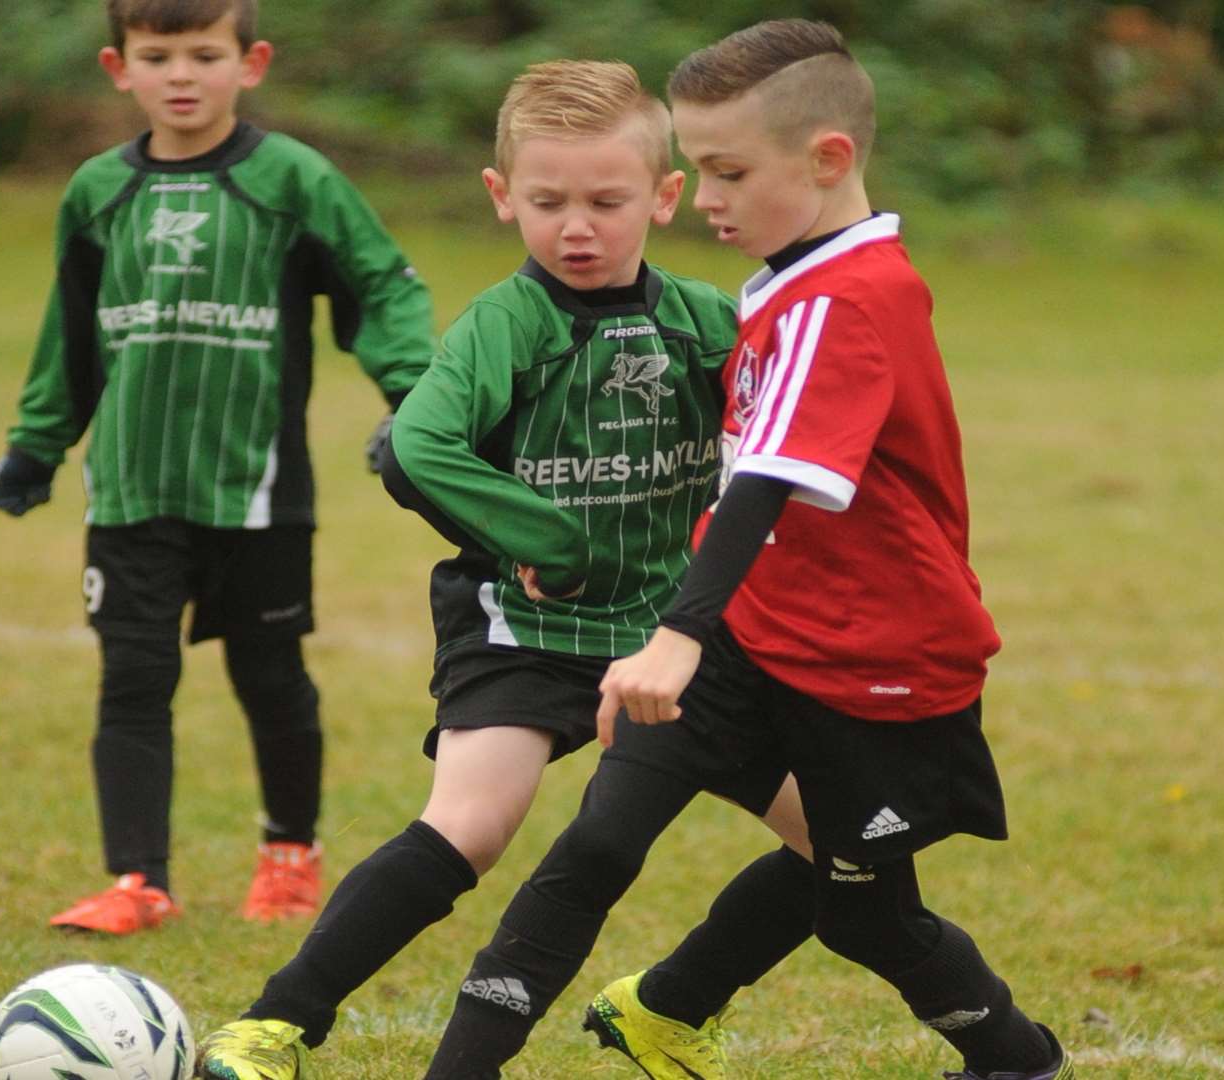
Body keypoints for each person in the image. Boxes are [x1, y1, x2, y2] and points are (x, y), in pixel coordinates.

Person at [418, 20, 1073, 1080]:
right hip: (753, 634)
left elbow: (767, 480)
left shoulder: (851, 296)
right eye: (698, 166)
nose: (705, 195)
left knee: (864, 912)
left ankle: (1017, 1056)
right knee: (596, 846)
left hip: (881, 664)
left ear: (827, 160)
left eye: (726, 171)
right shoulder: (784, 278)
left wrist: (675, 633)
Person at [196, 59, 811, 1080]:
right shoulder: (505, 325)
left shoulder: (707, 323)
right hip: (526, 634)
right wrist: (541, 540)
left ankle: (669, 1007)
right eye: (548, 201)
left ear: (663, 197)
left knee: (839, 838)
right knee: (472, 826)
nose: (579, 226)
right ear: (501, 197)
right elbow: (416, 447)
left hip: (670, 641)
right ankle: (275, 1024)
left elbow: (780, 437)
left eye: (608, 202)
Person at [0, 0, 435, 936]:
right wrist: (39, 442)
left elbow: (381, 285)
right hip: (131, 487)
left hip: (258, 490)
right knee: (132, 680)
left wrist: (416, 401)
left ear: (252, 61)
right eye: (158, 56)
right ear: (120, 66)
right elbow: (70, 330)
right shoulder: (96, 191)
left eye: (204, 54)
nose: (180, 75)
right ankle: (136, 881)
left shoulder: (293, 179)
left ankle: (289, 858)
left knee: (269, 675)